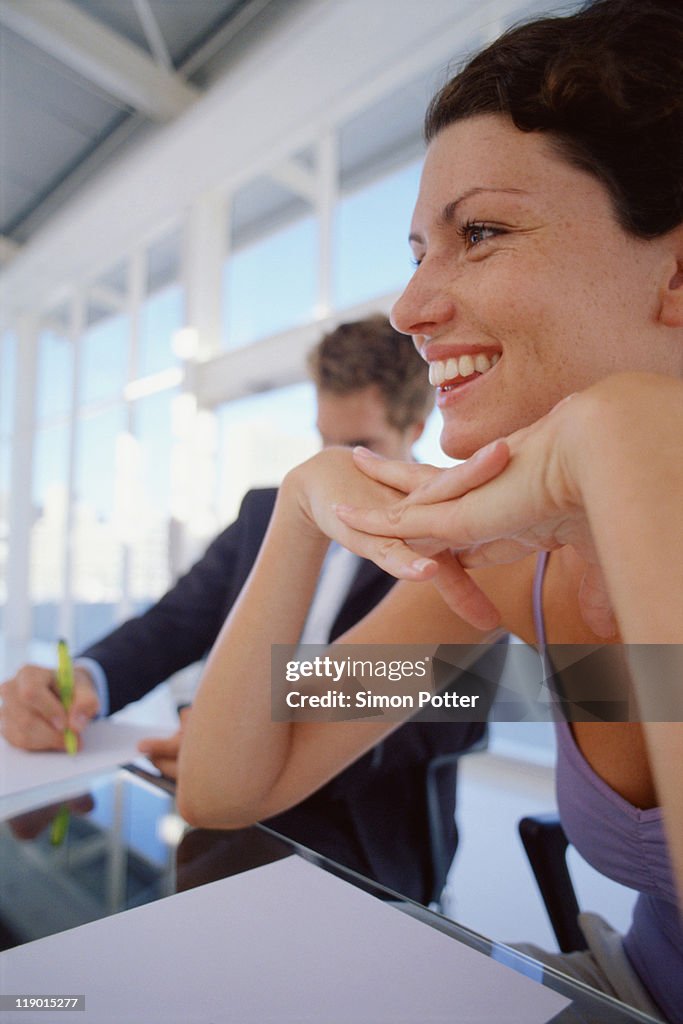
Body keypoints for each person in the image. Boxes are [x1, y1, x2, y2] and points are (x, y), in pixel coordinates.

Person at [175, 1, 683, 1020]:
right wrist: (298, 510)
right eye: (417, 249)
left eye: (480, 232)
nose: (409, 308)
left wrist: (624, 430)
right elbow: (227, 786)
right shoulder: (509, 566)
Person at [0, 314, 494, 905]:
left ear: (415, 426)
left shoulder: (459, 533)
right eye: (324, 440)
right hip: (215, 823)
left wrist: (252, 737)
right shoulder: (266, 512)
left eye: (360, 447)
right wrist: (85, 680)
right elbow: (174, 622)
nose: (333, 466)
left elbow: (458, 713)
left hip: (362, 835)